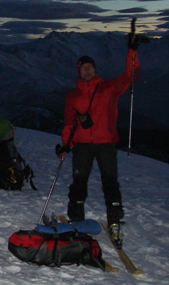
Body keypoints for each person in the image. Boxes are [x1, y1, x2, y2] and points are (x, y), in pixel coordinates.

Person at [56, 32, 141, 248]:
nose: (86, 70)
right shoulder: (73, 95)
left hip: (106, 143)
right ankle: (76, 219)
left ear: (95, 69)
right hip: (82, 145)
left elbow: (131, 75)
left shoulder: (108, 88)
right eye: (83, 67)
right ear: (78, 71)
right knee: (79, 183)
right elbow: (69, 124)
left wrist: (132, 50)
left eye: (89, 66)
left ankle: (115, 222)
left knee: (110, 183)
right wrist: (67, 144)